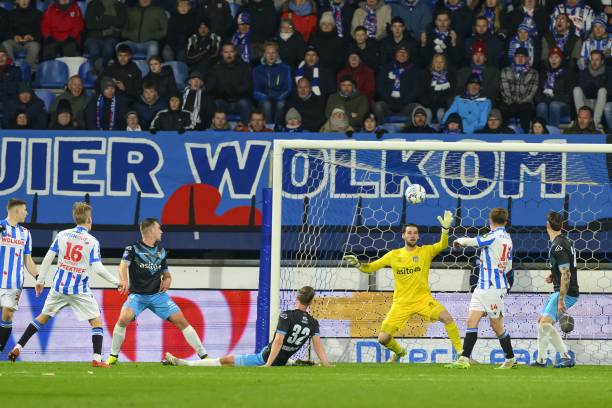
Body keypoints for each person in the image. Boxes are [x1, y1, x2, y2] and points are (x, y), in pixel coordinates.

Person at [8, 202, 119, 367]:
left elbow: (47, 258)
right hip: (78, 289)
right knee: (96, 321)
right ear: (89, 219)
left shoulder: (62, 235)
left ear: (75, 218)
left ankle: (18, 347)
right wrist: (117, 282)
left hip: (58, 287)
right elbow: (98, 268)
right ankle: (96, 358)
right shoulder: (92, 241)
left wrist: (40, 280)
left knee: (42, 318)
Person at [343, 212, 463, 362]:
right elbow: (370, 268)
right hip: (401, 303)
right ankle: (400, 352)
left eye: (415, 233)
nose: (412, 235)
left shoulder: (425, 251)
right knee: (383, 338)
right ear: (403, 236)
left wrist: (445, 230)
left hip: (423, 300)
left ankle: (461, 354)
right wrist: (358, 265)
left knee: (447, 318)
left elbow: (443, 245)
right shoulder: (394, 255)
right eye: (409, 233)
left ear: (418, 237)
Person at [106, 218, 207, 365]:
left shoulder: (161, 251)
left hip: (157, 296)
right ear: (151, 230)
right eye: (159, 228)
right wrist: (123, 280)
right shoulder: (132, 248)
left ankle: (204, 356)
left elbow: (166, 274)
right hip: (138, 296)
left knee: (181, 321)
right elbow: (122, 266)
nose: (161, 231)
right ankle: (113, 356)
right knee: (123, 319)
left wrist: (168, 280)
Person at [164, 286, 331, 367]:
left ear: (297, 297)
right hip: (283, 359)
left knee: (225, 361)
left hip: (265, 357)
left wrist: (267, 364)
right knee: (286, 357)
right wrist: (326, 364)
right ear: (310, 302)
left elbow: (279, 342)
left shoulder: (286, 315)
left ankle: (186, 364)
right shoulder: (313, 322)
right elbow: (318, 346)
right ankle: (295, 362)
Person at [447, 208, 517, 369]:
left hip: (492, 288)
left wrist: (458, 240)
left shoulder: (493, 236)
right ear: (506, 221)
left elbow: (474, 241)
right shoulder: (508, 238)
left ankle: (510, 358)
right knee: (471, 320)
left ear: (489, 220)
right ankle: (464, 358)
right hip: (483, 287)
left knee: (496, 326)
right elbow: (509, 266)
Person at [531, 211, 579, 368]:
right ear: (562, 226)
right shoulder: (565, 241)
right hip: (562, 290)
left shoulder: (557, 246)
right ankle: (541, 360)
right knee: (542, 322)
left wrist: (561, 300)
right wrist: (553, 274)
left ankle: (565, 357)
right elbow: (565, 267)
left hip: (566, 293)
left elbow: (566, 273)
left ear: (547, 225)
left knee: (545, 323)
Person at [0, 199, 38, 355]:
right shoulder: (1, 227)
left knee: (7, 314)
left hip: (14, 281)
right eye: (24, 210)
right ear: (16, 211)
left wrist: (38, 276)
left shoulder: (25, 233)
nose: (27, 213)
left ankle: (0, 348)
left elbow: (27, 259)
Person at [373, 45, 421, 124]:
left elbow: (415, 89)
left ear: (408, 56)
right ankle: (380, 130)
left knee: (417, 107)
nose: (402, 55)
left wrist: (404, 101)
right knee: (378, 106)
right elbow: (380, 86)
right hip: (388, 104)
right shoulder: (386, 68)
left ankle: (408, 131)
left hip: (405, 105)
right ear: (395, 54)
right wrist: (389, 100)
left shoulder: (414, 70)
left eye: (404, 53)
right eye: (400, 52)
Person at [207, 42, 253, 125]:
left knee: (244, 103)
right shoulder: (215, 68)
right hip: (222, 100)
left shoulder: (244, 66)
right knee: (216, 103)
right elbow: (210, 87)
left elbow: (248, 86)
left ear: (235, 52)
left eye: (231, 52)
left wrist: (233, 91)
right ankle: (216, 132)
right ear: (221, 53)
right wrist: (223, 92)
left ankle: (246, 129)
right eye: (226, 52)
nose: (229, 55)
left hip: (239, 99)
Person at [252, 41, 292, 126]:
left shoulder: (285, 68)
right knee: (267, 104)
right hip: (264, 99)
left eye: (273, 52)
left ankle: (278, 128)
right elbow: (255, 90)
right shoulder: (257, 70)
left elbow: (288, 88)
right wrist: (265, 97)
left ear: (277, 54)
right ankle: (269, 128)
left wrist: (279, 97)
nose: (271, 55)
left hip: (280, 98)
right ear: (264, 54)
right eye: (268, 53)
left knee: (281, 104)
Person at [500, 47, 539, 132]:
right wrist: (511, 103)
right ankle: (503, 134)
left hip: (525, 104)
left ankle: (525, 136)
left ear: (527, 59)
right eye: (518, 56)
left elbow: (531, 93)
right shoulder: (505, 71)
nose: (520, 59)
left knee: (526, 108)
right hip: (509, 103)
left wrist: (519, 104)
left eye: (523, 56)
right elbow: (504, 90)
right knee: (503, 108)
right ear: (514, 58)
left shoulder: (533, 73)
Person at [535, 47, 575, 127]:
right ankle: (543, 133)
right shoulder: (543, 73)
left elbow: (568, 97)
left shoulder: (568, 73)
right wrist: (545, 99)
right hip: (546, 102)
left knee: (554, 105)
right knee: (541, 106)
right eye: (551, 57)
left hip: (563, 105)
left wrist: (552, 99)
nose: (553, 60)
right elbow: (537, 95)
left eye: (556, 57)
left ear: (561, 59)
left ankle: (553, 134)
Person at [84, 0, 127, 73]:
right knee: (94, 49)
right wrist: (110, 24)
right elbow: (89, 24)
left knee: (108, 49)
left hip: (112, 38)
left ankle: (98, 70)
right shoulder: (92, 5)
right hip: (93, 37)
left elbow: (120, 23)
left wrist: (101, 19)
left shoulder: (120, 6)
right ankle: (102, 71)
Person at [1, 0, 42, 70]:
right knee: (5, 44)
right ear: (17, 1)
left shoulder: (38, 14)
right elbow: (6, 31)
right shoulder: (10, 14)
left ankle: (25, 70)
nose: (24, 1)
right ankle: (12, 68)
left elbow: (41, 31)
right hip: (15, 42)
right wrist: (14, 36)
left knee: (35, 46)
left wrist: (32, 37)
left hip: (30, 42)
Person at [573, 50, 607, 129]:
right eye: (592, 59)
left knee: (602, 91)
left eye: (597, 60)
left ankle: (595, 123)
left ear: (602, 61)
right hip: (586, 102)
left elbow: (608, 91)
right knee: (576, 89)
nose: (594, 62)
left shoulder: (607, 72)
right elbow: (582, 88)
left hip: (600, 103)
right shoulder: (584, 72)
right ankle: (581, 120)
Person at [421, 53, 454, 123]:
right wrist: (428, 105)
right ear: (433, 63)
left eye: (441, 62)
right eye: (436, 62)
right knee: (427, 113)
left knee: (441, 113)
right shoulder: (426, 75)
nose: (438, 64)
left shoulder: (449, 76)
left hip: (443, 107)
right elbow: (422, 93)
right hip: (428, 106)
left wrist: (442, 105)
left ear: (444, 64)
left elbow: (450, 94)